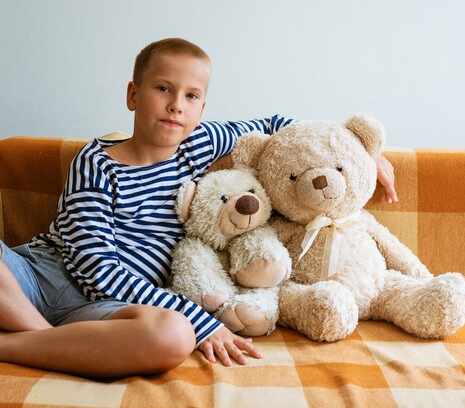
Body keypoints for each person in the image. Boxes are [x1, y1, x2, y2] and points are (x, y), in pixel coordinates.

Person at [0, 38, 398, 379]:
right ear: (133, 95)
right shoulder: (97, 161)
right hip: (38, 280)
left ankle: (16, 345)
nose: (177, 105)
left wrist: (359, 149)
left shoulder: (197, 145)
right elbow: (94, 268)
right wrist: (205, 320)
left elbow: (282, 126)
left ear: (202, 109)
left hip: (108, 313)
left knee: (174, 336)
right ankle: (38, 338)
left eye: (191, 96)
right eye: (163, 89)